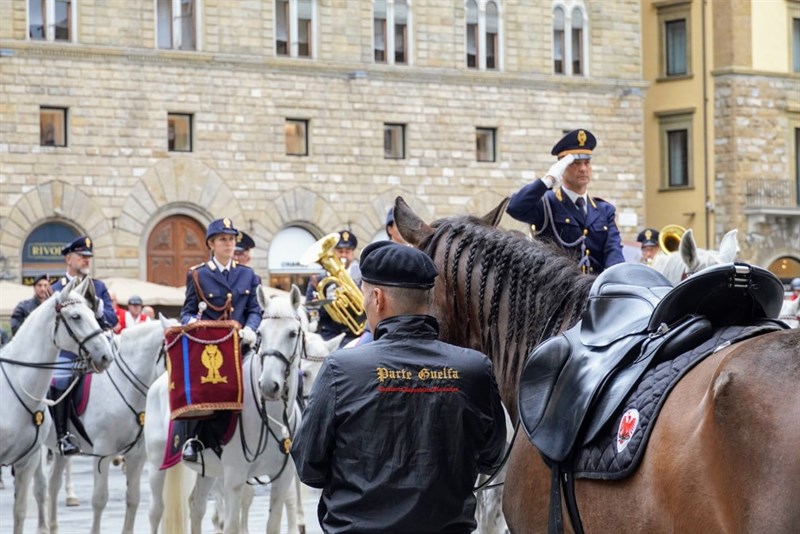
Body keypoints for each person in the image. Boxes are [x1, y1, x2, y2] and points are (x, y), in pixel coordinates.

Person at [293, 242, 507, 533]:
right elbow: (492, 458)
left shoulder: (339, 369)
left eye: (365, 296)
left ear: (377, 298)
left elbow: (309, 467)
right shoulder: (475, 369)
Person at [180, 217, 262, 463]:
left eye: (231, 239)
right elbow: (187, 311)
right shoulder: (198, 275)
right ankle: (195, 439)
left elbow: (255, 310)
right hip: (211, 350)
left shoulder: (248, 275)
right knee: (202, 386)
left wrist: (251, 328)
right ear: (211, 244)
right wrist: (194, 323)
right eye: (223, 239)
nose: (229, 244)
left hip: (242, 347)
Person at [506, 129, 625, 274]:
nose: (583, 169)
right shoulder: (546, 204)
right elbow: (514, 207)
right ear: (561, 168)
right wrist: (548, 180)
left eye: (587, 163)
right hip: (557, 284)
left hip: (594, 285)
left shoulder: (604, 210)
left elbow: (614, 254)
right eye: (575, 163)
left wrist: (617, 279)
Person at [50, 236, 118, 455]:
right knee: (61, 375)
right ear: (68, 259)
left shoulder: (98, 287)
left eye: (88, 256)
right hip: (69, 350)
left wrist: (98, 308)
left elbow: (112, 318)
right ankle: (63, 436)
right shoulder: (55, 289)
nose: (86, 260)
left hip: (98, 347)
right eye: (81, 256)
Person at [305, 230, 363, 345]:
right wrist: (326, 303)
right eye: (340, 251)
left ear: (353, 253)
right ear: (333, 251)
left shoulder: (360, 278)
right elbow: (310, 309)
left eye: (347, 251)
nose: (343, 255)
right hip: (327, 334)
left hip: (354, 335)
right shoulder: (317, 280)